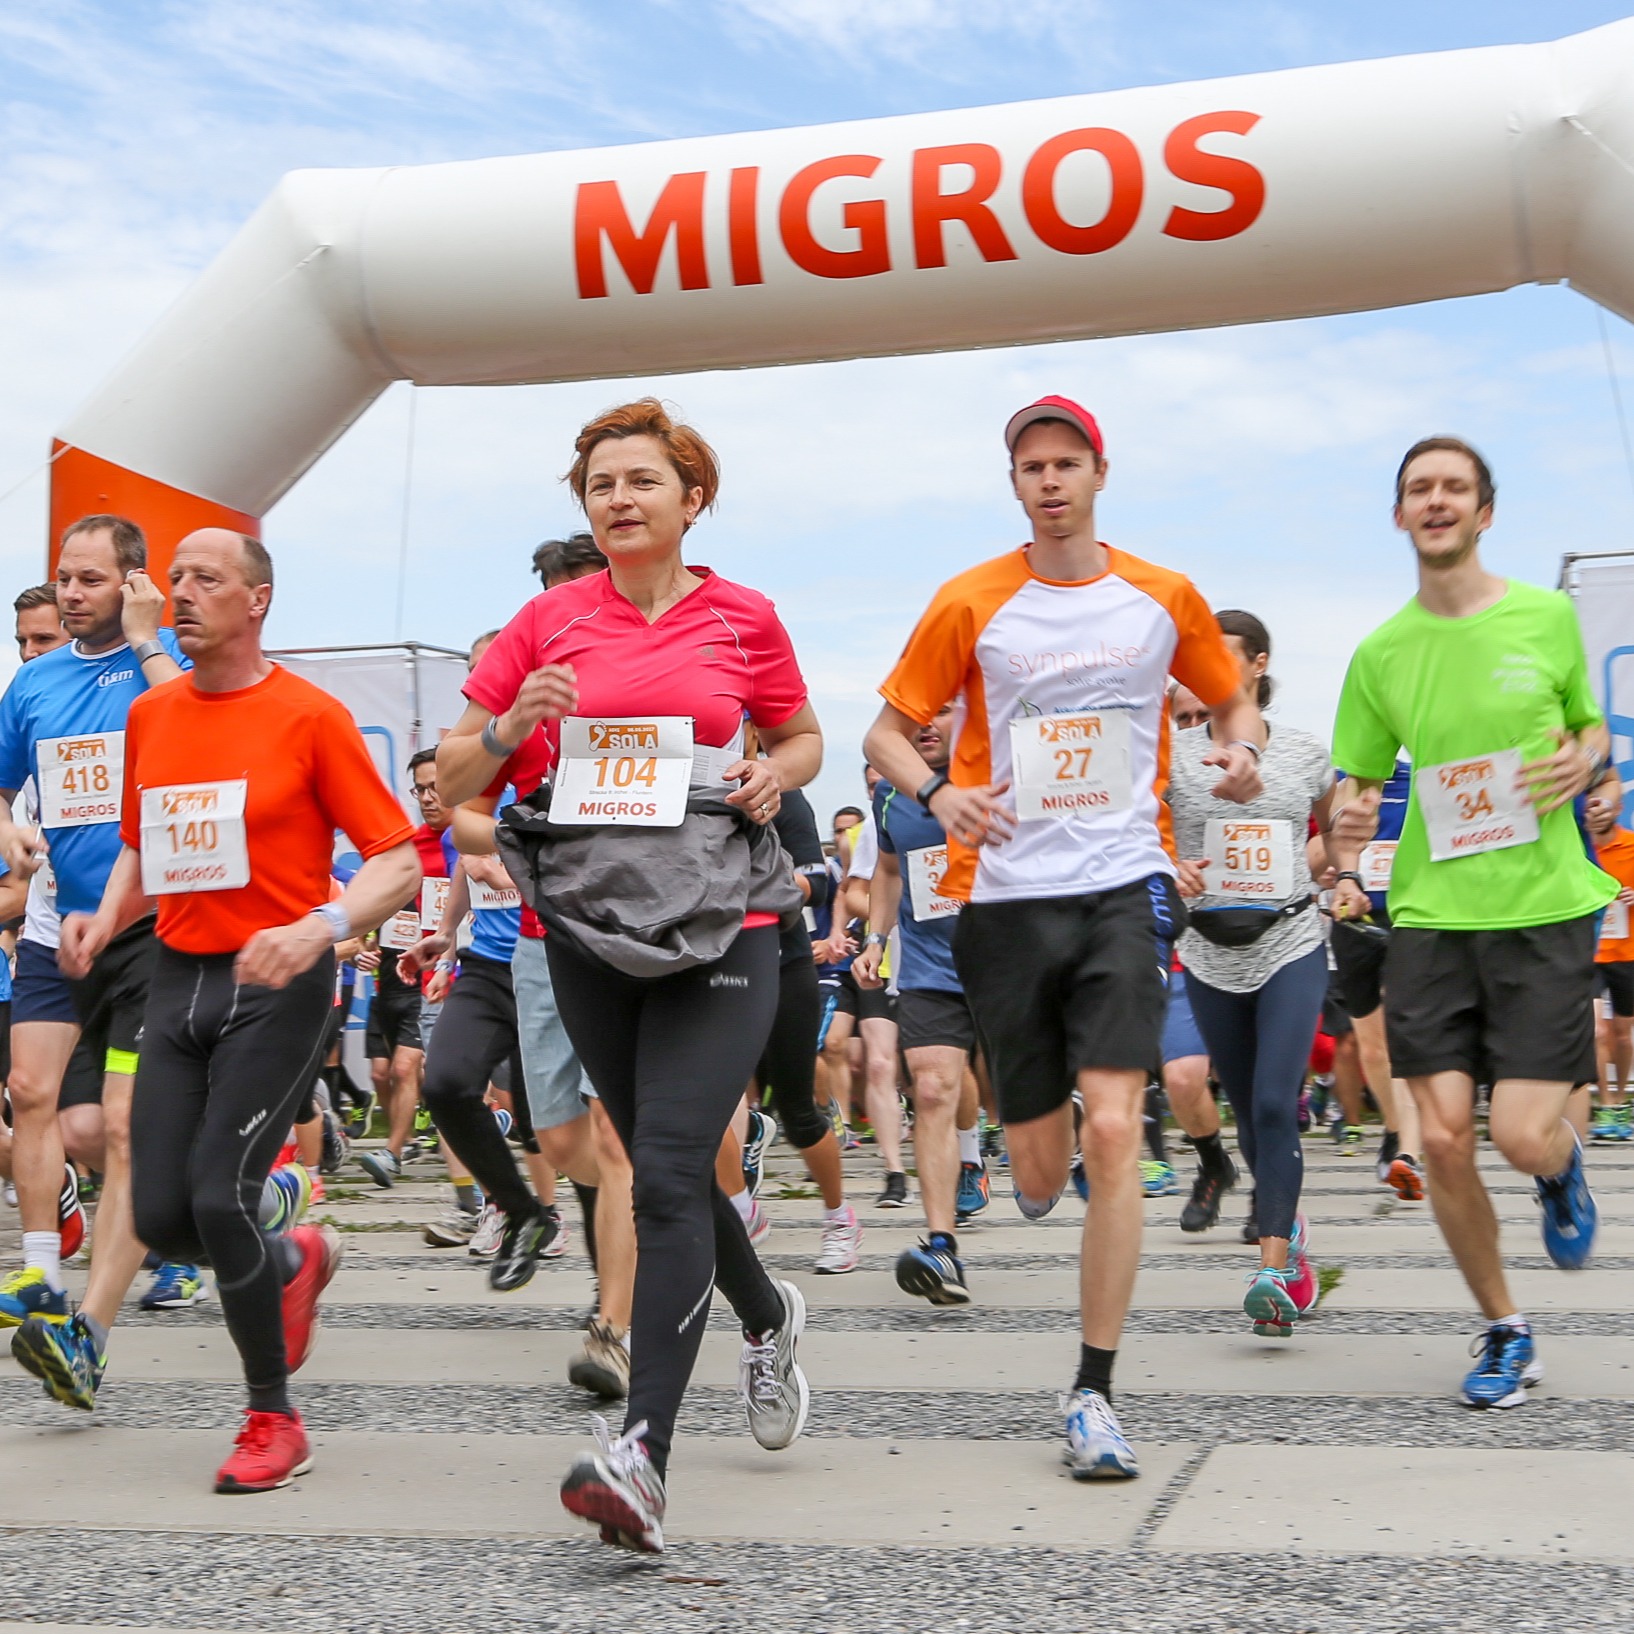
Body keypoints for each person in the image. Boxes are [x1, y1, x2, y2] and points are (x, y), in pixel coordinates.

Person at [438, 398, 819, 1553]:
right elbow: (453, 771)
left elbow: (802, 736)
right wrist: (508, 724)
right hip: (586, 925)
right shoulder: (546, 620)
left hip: (725, 918)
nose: (617, 498)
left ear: (689, 498)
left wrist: (771, 775)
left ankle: (641, 1453)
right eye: (600, 483)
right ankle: (765, 1310)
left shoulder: (741, 616)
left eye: (640, 479)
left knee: (658, 1168)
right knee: (658, 1169)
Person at [865, 394, 1262, 1480]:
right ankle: (1030, 1158)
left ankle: (1092, 1389)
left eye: (1064, 463)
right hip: (1000, 901)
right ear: (1014, 484)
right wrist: (937, 791)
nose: (1047, 481)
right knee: (1040, 1164)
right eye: (1029, 466)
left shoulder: (1159, 595)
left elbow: (1231, 707)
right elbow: (885, 730)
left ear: (1097, 473)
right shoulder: (971, 601)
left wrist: (1238, 754)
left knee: (1115, 1129)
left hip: (1119, 885)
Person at [56, 527, 419, 1489]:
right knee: (168, 1218)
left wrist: (323, 926)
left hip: (280, 982)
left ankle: (273, 1419)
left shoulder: (310, 715)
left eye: (205, 580)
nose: (180, 593)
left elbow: (397, 857)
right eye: (175, 578)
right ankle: (290, 1254)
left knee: (218, 1194)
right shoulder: (156, 713)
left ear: (255, 600)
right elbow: (146, 844)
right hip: (178, 979)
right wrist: (104, 914)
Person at [1330, 435, 1611, 1410]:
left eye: (1454, 486)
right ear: (1399, 514)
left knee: (1522, 1134)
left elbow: (1584, 726)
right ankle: (1503, 1326)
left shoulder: (1543, 616)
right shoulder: (1379, 652)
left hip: (1539, 910)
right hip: (1429, 917)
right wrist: (1347, 812)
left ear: (1483, 512)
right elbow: (1353, 778)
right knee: (1443, 1140)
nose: (1436, 499)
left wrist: (1584, 762)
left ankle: (1558, 1169)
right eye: (1418, 487)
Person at [0, 516, 190, 1408]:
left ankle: (174, 1253)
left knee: (119, 1127)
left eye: (88, 579)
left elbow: (196, 734)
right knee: (36, 1099)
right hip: (53, 924)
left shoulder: (165, 665)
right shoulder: (32, 682)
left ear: (133, 582)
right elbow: (3, 786)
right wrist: (12, 831)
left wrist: (152, 637)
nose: (71, 594)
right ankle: (40, 1270)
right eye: (62, 579)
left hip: (150, 929)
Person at [1168, 611, 1331, 1337]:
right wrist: (1170, 866)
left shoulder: (1303, 752)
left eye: (1221, 655)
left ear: (1259, 664)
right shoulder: (1173, 756)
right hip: (1209, 954)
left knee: (1273, 1102)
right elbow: (1144, 833)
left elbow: (1340, 823)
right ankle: (1289, 1236)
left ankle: (1271, 1270)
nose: (1204, 666)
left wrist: (1328, 872)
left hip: (1291, 940)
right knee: (1246, 1113)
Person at [854, 703, 988, 1304]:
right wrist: (876, 939)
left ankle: (989, 1152)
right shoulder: (889, 799)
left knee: (1039, 1141)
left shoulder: (997, 775)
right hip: (934, 970)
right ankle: (941, 1246)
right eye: (913, 716)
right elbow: (888, 871)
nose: (925, 724)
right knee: (931, 1088)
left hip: (1011, 965)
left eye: (940, 711)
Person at [1325, 756, 1425, 1195]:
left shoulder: (1421, 780)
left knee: (1404, 1034)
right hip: (1354, 924)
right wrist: (1334, 867)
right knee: (1371, 1044)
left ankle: (1409, 1151)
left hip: (1408, 922)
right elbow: (1317, 850)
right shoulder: (1340, 784)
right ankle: (1392, 1127)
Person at [356, 749, 449, 1186]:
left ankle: (396, 1151)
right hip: (413, 976)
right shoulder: (410, 847)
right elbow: (380, 907)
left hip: (471, 973)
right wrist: (363, 945)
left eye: (437, 787)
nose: (428, 798)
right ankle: (408, 1147)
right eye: (420, 790)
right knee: (397, 1070)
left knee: (409, 1069)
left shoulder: (479, 837)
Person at [1588, 794, 1634, 1141]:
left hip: (1626, 952)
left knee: (1621, 1032)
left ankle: (1621, 1101)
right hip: (1589, 954)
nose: (1595, 813)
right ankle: (1605, 1105)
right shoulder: (1577, 849)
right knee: (1597, 1031)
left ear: (1618, 809)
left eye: (1602, 806)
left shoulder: (1631, 845)